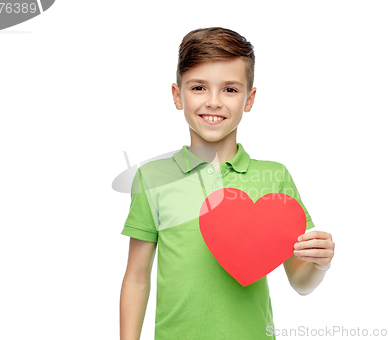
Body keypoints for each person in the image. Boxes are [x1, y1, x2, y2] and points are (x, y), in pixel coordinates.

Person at [119, 27, 335, 340]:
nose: (214, 102)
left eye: (230, 90)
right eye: (198, 88)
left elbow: (299, 282)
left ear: (249, 99)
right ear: (177, 95)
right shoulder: (153, 178)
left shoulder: (274, 177)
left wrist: (319, 264)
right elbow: (136, 279)